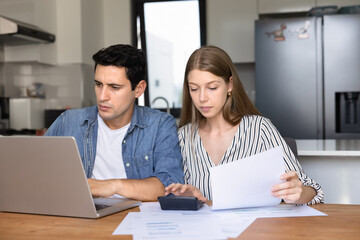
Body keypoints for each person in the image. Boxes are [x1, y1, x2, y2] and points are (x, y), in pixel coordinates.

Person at [165, 46, 324, 205]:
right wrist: (188, 198)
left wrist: (298, 192)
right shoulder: (182, 138)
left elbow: (310, 189)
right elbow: (172, 195)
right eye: (194, 88)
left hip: (255, 229)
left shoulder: (260, 129)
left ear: (229, 85)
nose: (202, 98)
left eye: (212, 87)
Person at [45, 44, 184, 201]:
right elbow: (36, 170)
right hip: (81, 218)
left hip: (137, 219)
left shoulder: (160, 125)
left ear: (138, 89)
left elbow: (171, 185)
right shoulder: (68, 121)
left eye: (114, 87)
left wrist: (113, 186)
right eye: (98, 84)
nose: (102, 96)